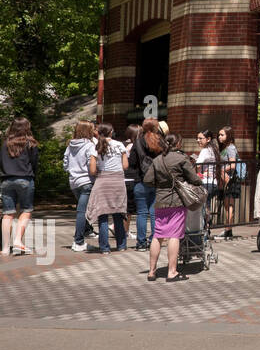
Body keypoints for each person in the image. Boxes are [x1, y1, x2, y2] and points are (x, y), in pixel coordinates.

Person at [145, 133, 200, 282]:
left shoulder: (157, 160)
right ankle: (172, 272)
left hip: (160, 200)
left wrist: (160, 185)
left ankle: (151, 271)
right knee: (174, 235)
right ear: (178, 144)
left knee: (158, 235)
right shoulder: (182, 159)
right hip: (176, 200)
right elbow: (194, 179)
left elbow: (148, 180)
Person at [0, 117, 39, 255]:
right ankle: (17, 240)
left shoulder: (6, 143)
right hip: (25, 178)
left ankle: (5, 248)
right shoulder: (30, 143)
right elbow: (34, 163)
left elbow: (1, 161)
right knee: (26, 210)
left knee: (7, 214)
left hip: (7, 179)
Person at [86, 123, 129, 253]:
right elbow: (125, 166)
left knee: (102, 215)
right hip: (117, 182)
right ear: (110, 132)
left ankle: (105, 248)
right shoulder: (120, 145)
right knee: (118, 214)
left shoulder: (96, 147)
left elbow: (92, 170)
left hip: (103, 181)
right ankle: (121, 245)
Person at [128, 118, 162, 250]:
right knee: (154, 212)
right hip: (156, 181)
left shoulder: (138, 142)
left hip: (140, 181)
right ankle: (155, 240)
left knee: (141, 213)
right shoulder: (160, 142)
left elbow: (131, 162)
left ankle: (141, 243)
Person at [64, 121, 97, 252]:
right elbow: (92, 164)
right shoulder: (90, 146)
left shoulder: (70, 145)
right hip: (86, 181)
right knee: (82, 212)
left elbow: (65, 164)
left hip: (73, 182)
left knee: (83, 211)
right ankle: (78, 241)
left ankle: (87, 232)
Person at [216, 126, 239, 240]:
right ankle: (228, 229)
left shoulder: (230, 148)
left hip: (230, 179)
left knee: (229, 204)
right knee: (227, 204)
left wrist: (222, 169)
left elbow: (233, 164)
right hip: (224, 179)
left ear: (228, 135)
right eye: (219, 135)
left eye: (222, 135)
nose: (219, 137)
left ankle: (227, 229)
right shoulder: (225, 148)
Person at [195, 130, 219, 226]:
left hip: (205, 182)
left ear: (208, 139)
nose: (198, 140)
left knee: (204, 206)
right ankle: (207, 226)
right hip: (213, 182)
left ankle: (206, 226)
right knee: (207, 205)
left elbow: (198, 165)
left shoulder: (204, 151)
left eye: (201, 138)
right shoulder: (214, 150)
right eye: (197, 138)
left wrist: (199, 173)